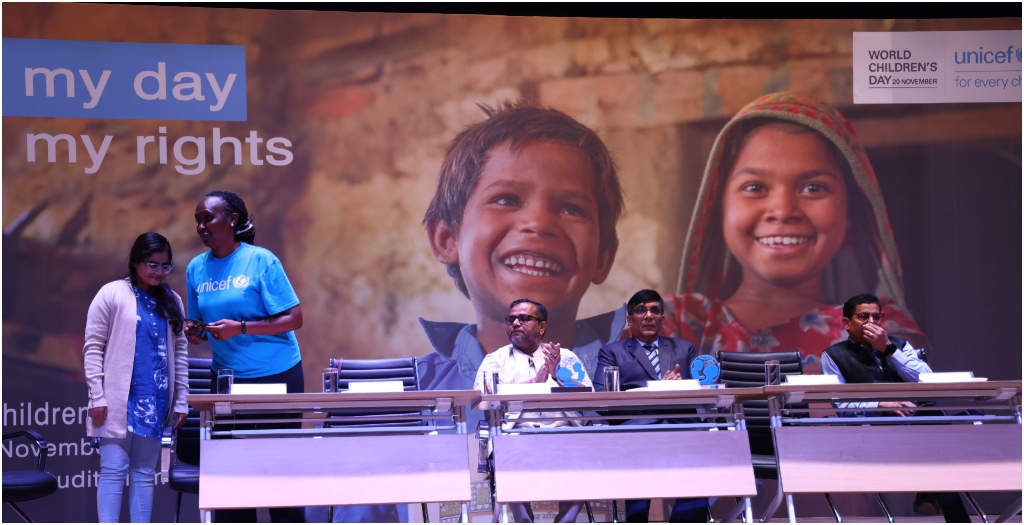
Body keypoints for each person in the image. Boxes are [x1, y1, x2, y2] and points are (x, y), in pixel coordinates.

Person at [669, 92, 929, 375]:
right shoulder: (672, 322)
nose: (782, 210)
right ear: (717, 207)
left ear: (851, 213)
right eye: (755, 187)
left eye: (813, 188)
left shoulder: (880, 326)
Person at [419, 101, 628, 402]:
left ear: (603, 257)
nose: (539, 223)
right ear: (447, 238)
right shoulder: (411, 398)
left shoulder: (644, 387)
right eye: (506, 199)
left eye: (572, 209)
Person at [185, 190, 305, 523]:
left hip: (276, 374)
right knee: (233, 481)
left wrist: (239, 327)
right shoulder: (196, 268)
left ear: (232, 220)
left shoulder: (261, 260)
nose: (201, 226)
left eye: (207, 217)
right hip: (227, 381)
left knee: (277, 474)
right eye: (198, 220)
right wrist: (193, 331)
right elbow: (196, 322)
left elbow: (294, 318)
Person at [820, 293, 971, 523]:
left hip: (919, 424)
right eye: (863, 317)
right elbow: (841, 406)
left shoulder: (899, 345)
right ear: (847, 323)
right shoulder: (833, 355)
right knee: (946, 441)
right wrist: (880, 405)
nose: (871, 322)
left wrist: (888, 349)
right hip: (874, 430)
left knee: (952, 424)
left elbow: (927, 381)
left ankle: (932, 488)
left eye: (876, 316)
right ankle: (934, 495)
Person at [83, 232, 189, 522]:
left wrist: (181, 401)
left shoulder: (172, 301)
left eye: (165, 266)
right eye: (152, 264)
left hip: (155, 400)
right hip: (117, 400)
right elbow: (93, 348)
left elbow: (180, 354)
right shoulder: (112, 293)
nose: (158, 272)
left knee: (144, 474)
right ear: (135, 262)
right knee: (113, 470)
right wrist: (97, 395)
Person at [594, 289, 708, 523]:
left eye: (655, 310)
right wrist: (656, 389)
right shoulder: (611, 352)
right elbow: (601, 398)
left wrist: (683, 387)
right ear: (629, 320)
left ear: (663, 320)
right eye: (640, 310)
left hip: (682, 428)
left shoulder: (684, 349)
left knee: (703, 457)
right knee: (638, 454)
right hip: (637, 430)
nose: (648, 316)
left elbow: (701, 394)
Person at [473, 299, 591, 523]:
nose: (515, 323)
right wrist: (532, 385)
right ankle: (524, 522)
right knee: (507, 455)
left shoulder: (564, 357)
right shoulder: (495, 360)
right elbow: (482, 398)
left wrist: (557, 376)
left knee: (583, 455)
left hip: (561, 435)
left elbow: (587, 395)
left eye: (524, 318)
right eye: (511, 319)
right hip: (515, 435)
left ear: (542, 327)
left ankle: (565, 522)